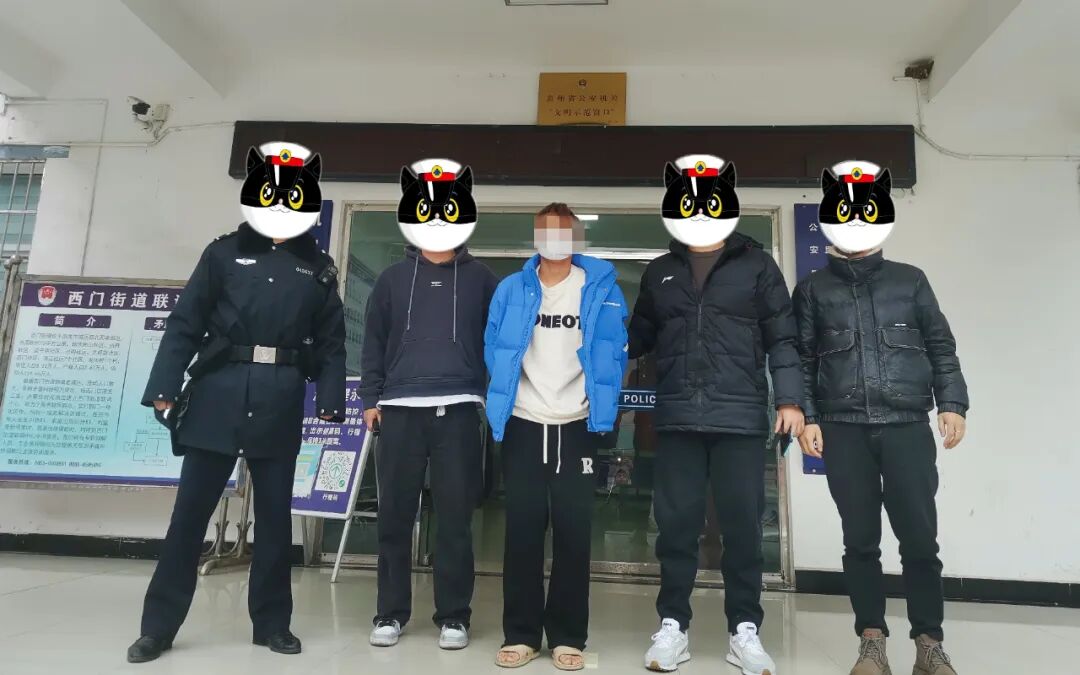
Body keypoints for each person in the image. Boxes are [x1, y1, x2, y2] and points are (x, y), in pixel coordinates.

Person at [127, 142, 346, 663]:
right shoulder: (222, 253)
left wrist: (330, 399)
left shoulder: (318, 267)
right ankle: (158, 627)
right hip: (218, 394)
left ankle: (272, 624)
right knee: (189, 516)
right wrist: (163, 386)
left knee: (274, 522)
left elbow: (332, 342)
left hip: (279, 397)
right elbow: (185, 322)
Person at [631, 155, 804, 675]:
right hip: (679, 417)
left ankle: (744, 630)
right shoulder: (660, 272)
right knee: (676, 527)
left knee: (742, 528)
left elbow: (783, 337)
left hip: (739, 417)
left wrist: (789, 400)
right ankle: (672, 627)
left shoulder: (757, 266)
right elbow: (636, 338)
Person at [794, 161, 968, 675]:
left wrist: (952, 403)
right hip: (842, 427)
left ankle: (929, 643)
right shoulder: (813, 289)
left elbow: (941, 346)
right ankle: (871, 641)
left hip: (906, 426)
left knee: (920, 539)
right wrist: (808, 417)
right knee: (859, 540)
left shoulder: (911, 281)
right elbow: (801, 359)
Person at [360, 158, 498, 651]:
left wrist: (494, 397)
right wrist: (370, 397)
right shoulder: (392, 279)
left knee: (455, 520)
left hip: (459, 410)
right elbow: (373, 341)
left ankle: (454, 617)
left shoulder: (482, 278)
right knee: (395, 517)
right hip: (399, 409)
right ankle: (390, 613)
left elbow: (499, 342)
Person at [485, 203, 628, 671]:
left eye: (564, 232)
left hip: (578, 424)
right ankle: (521, 634)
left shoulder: (602, 289)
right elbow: (493, 348)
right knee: (522, 531)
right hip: (525, 421)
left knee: (573, 533)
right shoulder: (511, 288)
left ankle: (568, 636)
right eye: (546, 232)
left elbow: (615, 354)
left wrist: (603, 405)